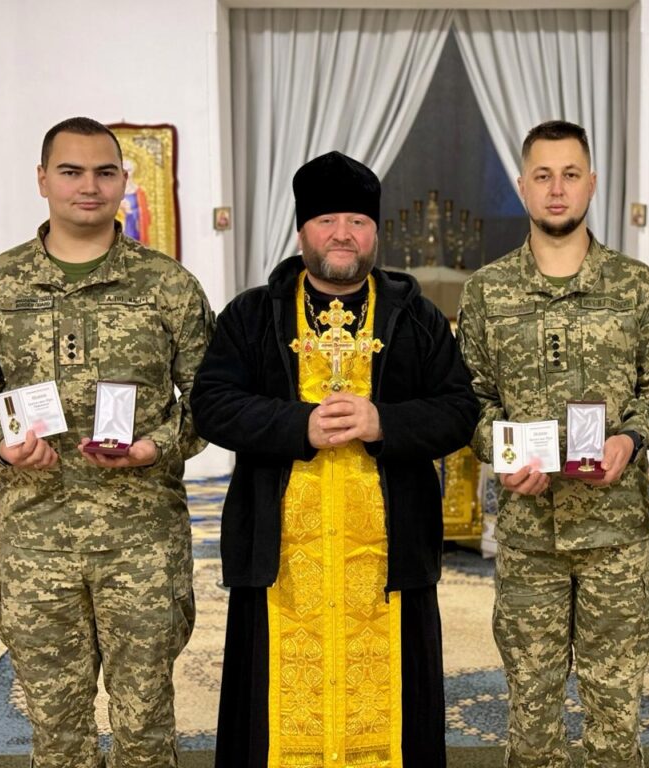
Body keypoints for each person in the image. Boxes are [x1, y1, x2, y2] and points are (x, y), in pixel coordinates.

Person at [190, 151, 479, 768]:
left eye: (357, 221)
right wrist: (297, 424)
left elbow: (459, 409)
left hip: (387, 558)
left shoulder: (415, 316)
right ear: (302, 231)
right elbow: (211, 404)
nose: (342, 234)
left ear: (375, 231)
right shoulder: (252, 314)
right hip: (281, 558)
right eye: (327, 220)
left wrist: (382, 422)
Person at [0, 116, 214, 767]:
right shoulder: (0, 286)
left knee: (145, 724)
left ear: (123, 181)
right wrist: (0, 442)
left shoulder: (167, 285)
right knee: (56, 729)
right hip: (36, 539)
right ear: (43, 179)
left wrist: (156, 446)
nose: (88, 186)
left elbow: (213, 400)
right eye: (71, 171)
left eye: (104, 172)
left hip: (141, 540)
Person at [456, 120, 649, 767]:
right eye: (544, 176)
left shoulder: (636, 287)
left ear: (592, 184)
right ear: (523, 186)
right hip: (529, 535)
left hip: (616, 535)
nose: (557, 189)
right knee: (531, 712)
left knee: (616, 712)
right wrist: (501, 451)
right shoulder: (488, 292)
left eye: (571, 174)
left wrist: (629, 440)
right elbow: (470, 400)